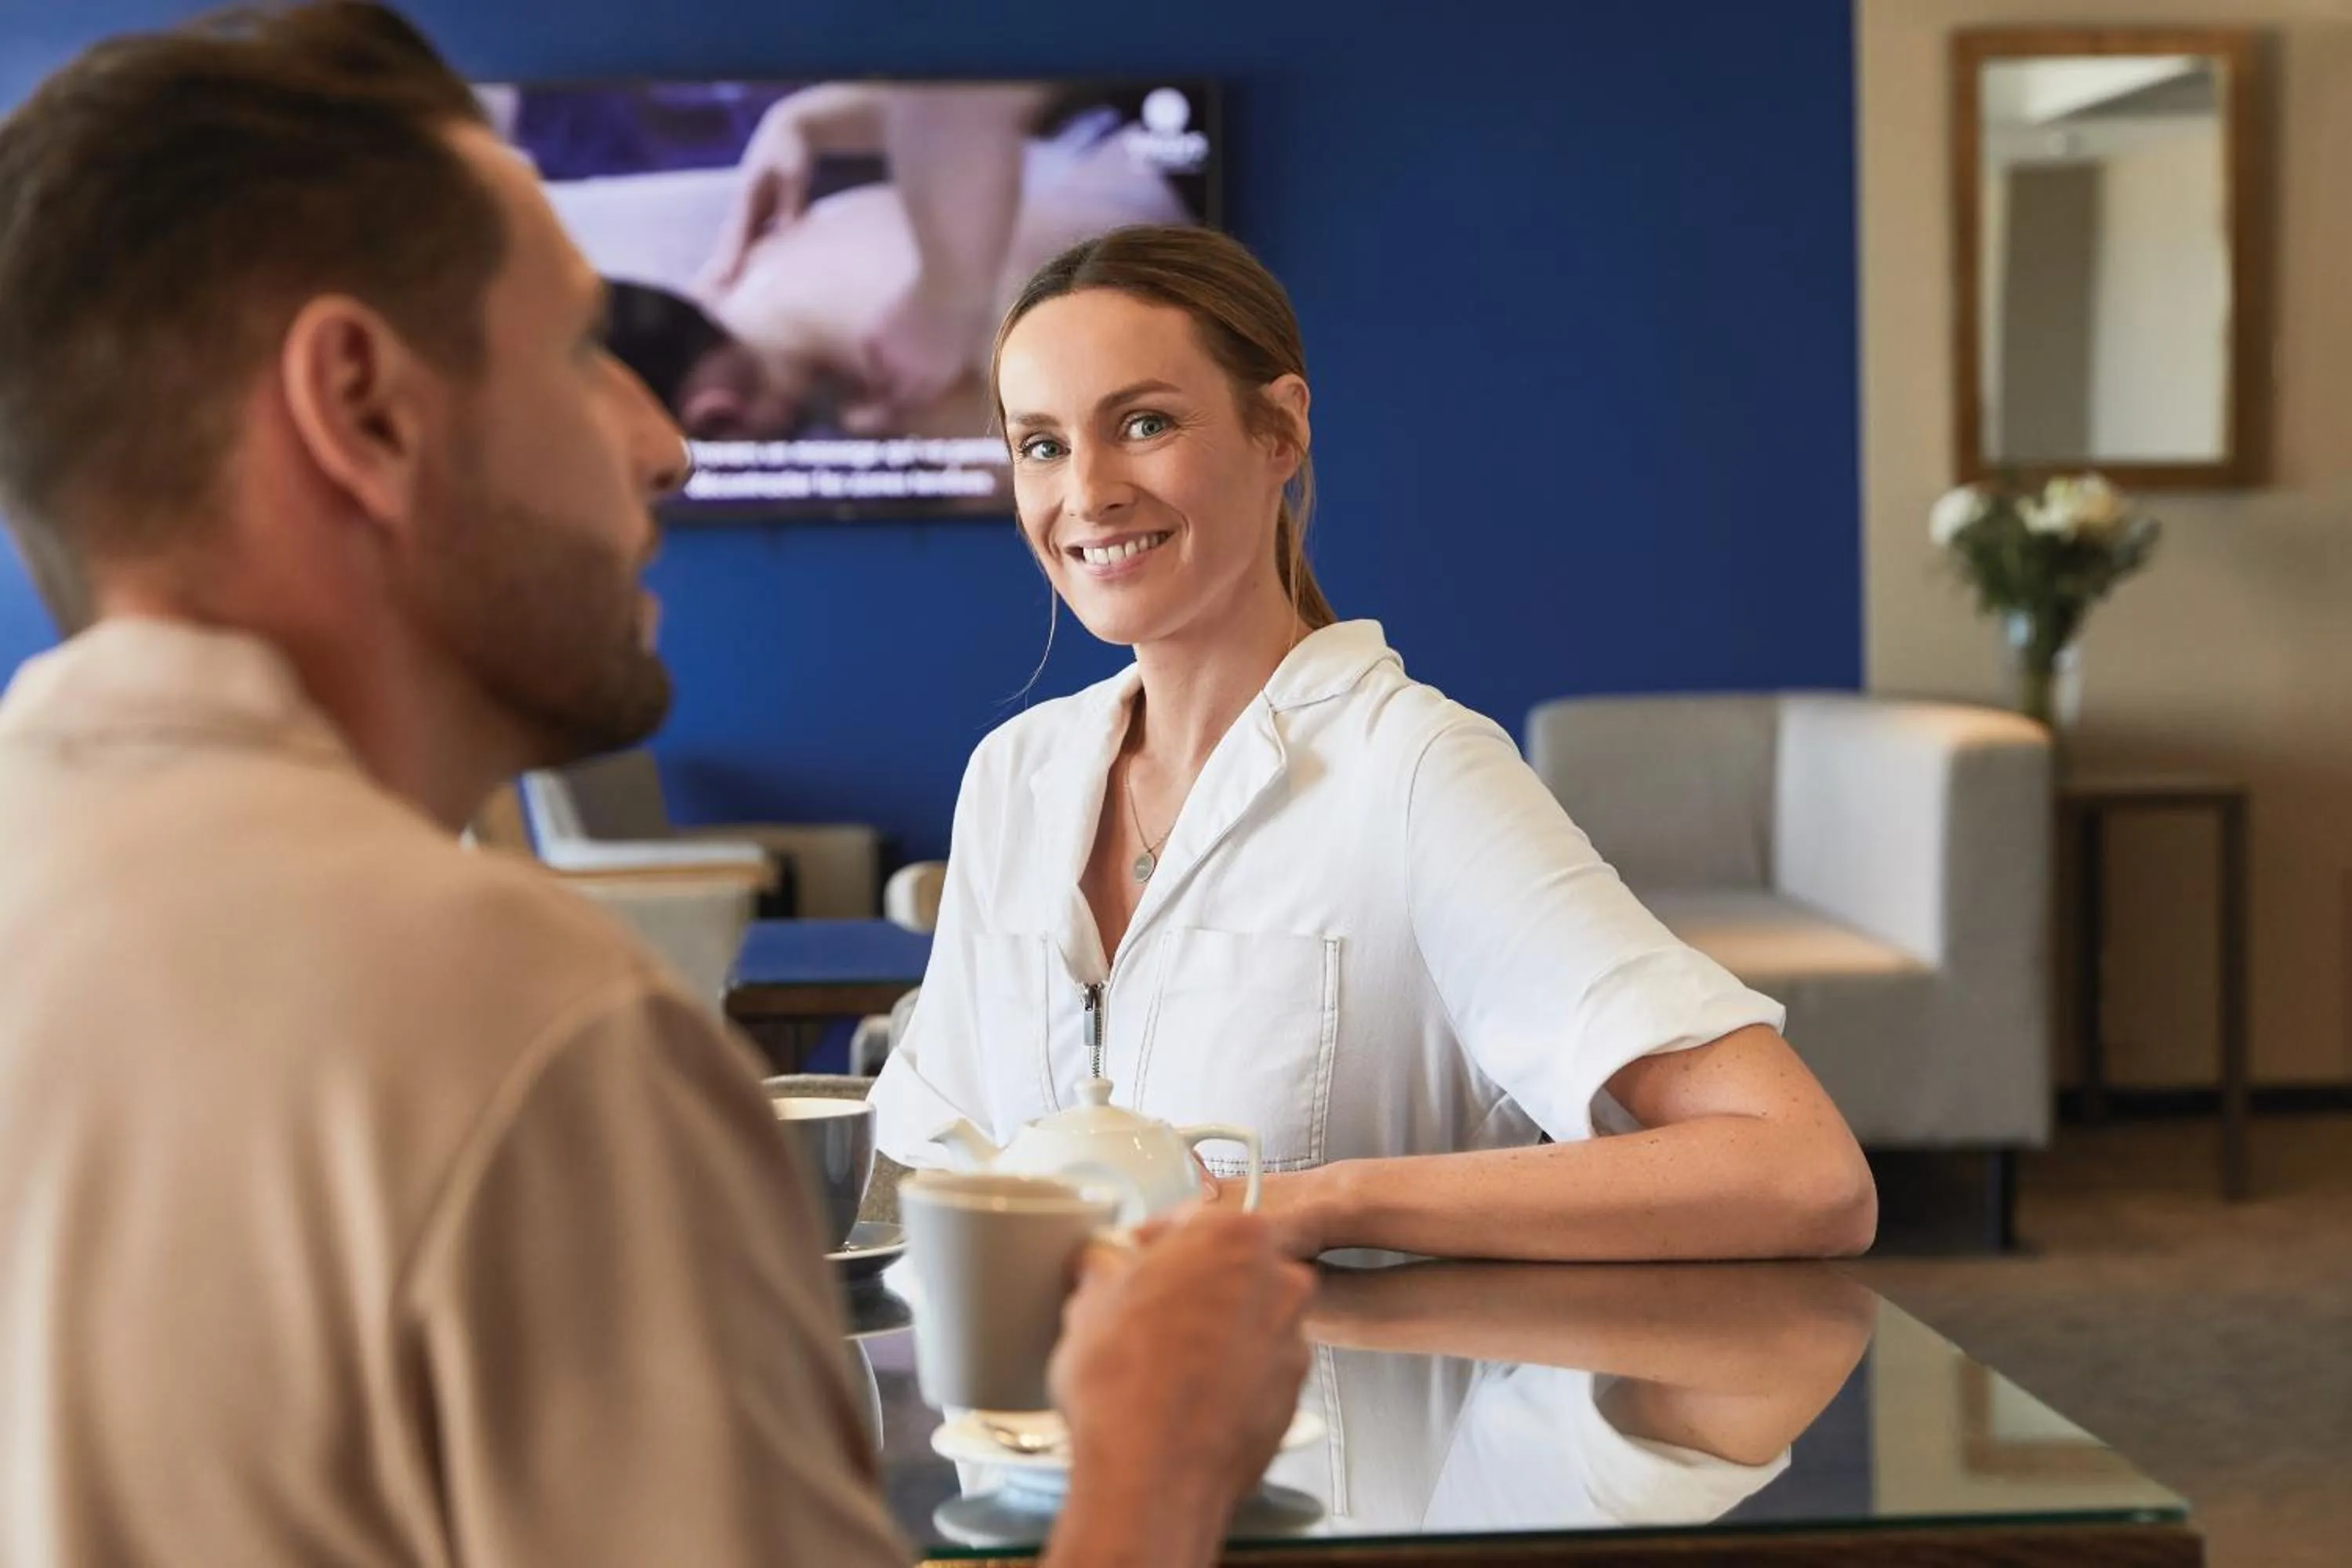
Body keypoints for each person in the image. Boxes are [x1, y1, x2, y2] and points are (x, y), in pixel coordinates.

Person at [0, 7, 1309, 1566]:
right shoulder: (520, 1029)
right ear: (363, 405)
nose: (666, 440)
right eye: (579, 351)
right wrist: (1157, 1467)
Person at [869, 224, 1879, 1264]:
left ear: (1280, 431)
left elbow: (1802, 1167)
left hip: (1338, 1373)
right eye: (1042, 445)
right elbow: (925, 1153)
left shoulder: (1415, 772)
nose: (1087, 492)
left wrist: (1319, 1203)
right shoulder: (1016, 776)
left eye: (1144, 423)